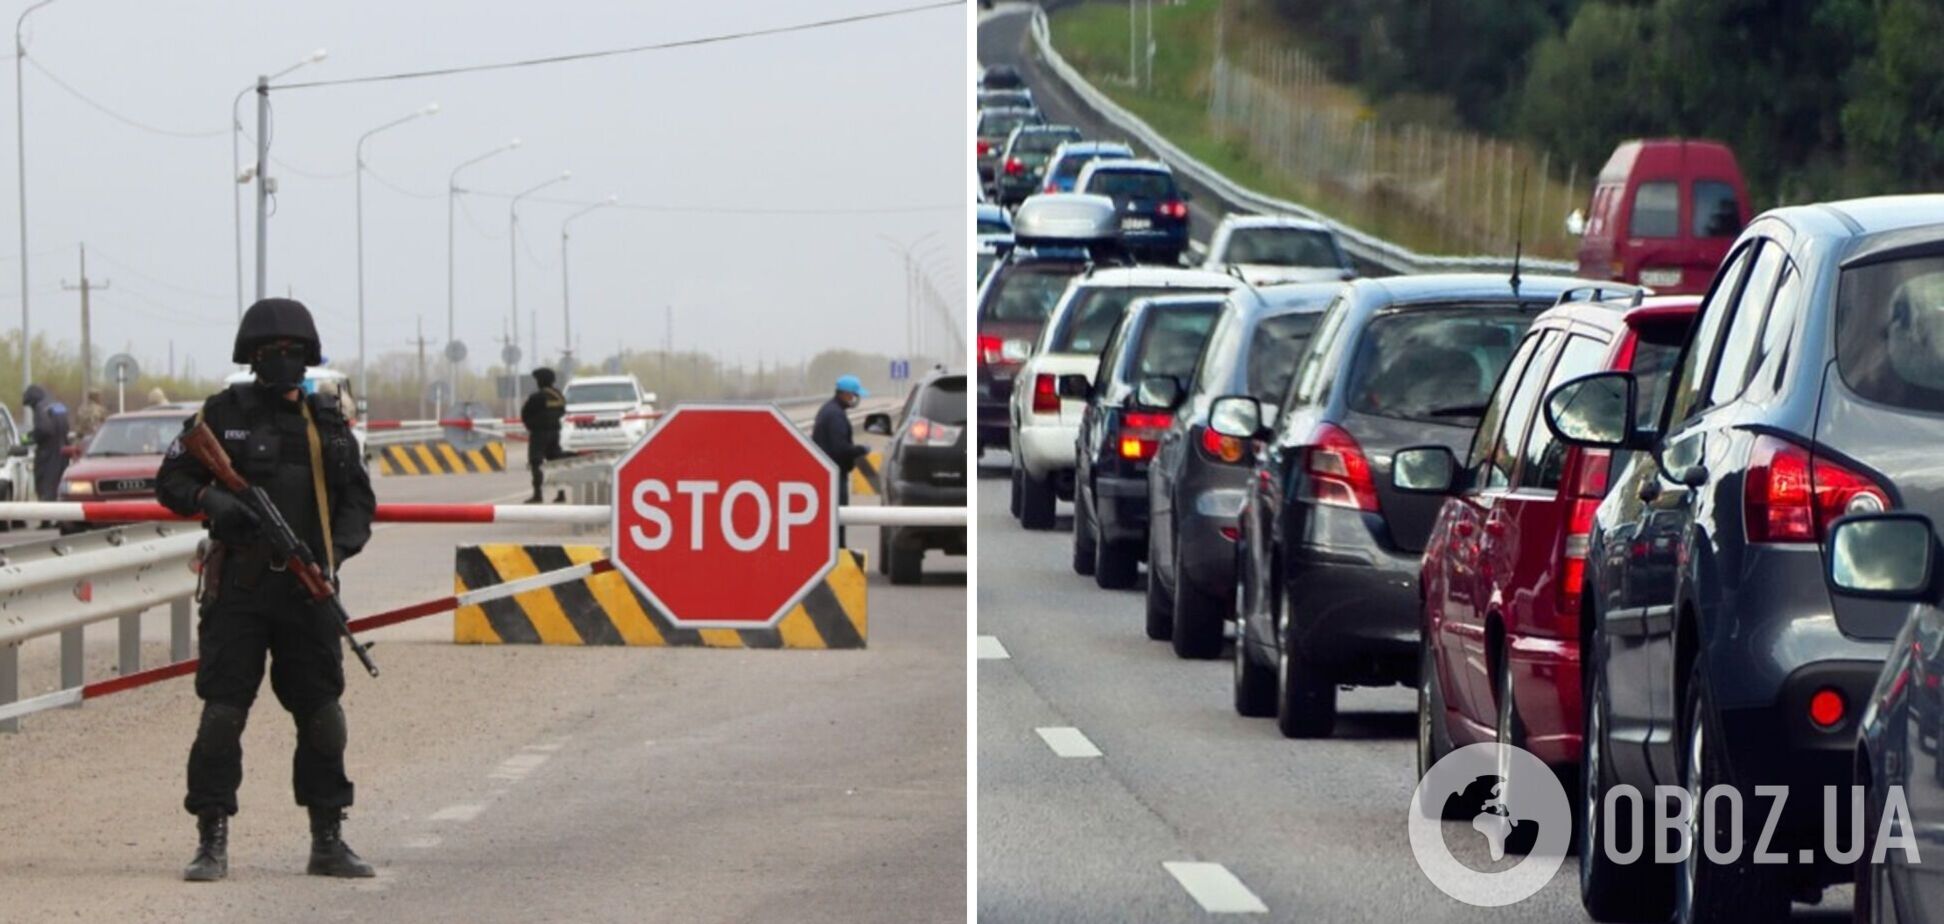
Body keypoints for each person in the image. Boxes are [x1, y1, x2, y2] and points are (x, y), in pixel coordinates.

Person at [155, 297, 377, 883]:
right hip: (240, 594)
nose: (286, 361)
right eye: (273, 353)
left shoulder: (327, 424)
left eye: (295, 353)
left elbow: (358, 501)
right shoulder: (221, 415)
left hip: (308, 594)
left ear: (309, 358)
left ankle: (327, 839)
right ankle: (211, 839)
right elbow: (172, 478)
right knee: (222, 717)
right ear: (252, 358)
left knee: (324, 717)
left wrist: (333, 556)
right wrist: (215, 502)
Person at [811, 375, 871, 547]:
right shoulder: (836, 415)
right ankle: (837, 557)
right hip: (835, 476)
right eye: (854, 395)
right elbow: (840, 448)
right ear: (845, 394)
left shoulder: (829, 410)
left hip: (828, 474)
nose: (855, 399)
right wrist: (861, 449)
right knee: (837, 520)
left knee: (833, 522)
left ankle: (834, 555)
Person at [519, 367, 567, 503]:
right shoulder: (558, 395)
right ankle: (561, 493)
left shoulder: (537, 397)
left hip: (539, 434)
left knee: (536, 463)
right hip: (554, 432)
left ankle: (537, 494)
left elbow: (525, 413)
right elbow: (562, 411)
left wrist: (531, 426)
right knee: (556, 463)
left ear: (541, 381)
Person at [20, 384, 70, 501]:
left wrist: (31, 437)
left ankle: (46, 517)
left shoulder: (40, 408)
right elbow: (66, 427)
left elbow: (44, 429)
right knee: (59, 487)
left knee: (45, 488)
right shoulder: (59, 406)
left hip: (47, 456)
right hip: (63, 454)